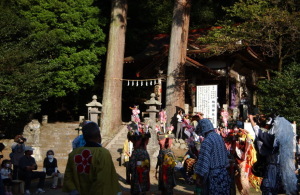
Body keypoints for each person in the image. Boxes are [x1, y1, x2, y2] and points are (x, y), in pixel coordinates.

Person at [63, 122, 121, 195]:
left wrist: (74, 190)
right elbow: (103, 180)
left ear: (83, 137)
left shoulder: (73, 154)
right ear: (99, 136)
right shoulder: (103, 153)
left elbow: (68, 177)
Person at [249, 115, 298, 194]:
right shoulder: (282, 140)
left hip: (272, 168)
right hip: (278, 168)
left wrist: (251, 120)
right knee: (273, 189)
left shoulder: (273, 139)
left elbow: (259, 132)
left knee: (268, 188)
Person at [194, 118, 231, 194]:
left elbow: (203, 163)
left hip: (214, 177)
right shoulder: (219, 138)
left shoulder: (207, 141)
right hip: (223, 175)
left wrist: (199, 177)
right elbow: (226, 155)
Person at [128, 130, 151, 195]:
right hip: (144, 177)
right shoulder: (145, 152)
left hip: (136, 178)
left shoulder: (135, 153)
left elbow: (131, 166)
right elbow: (148, 166)